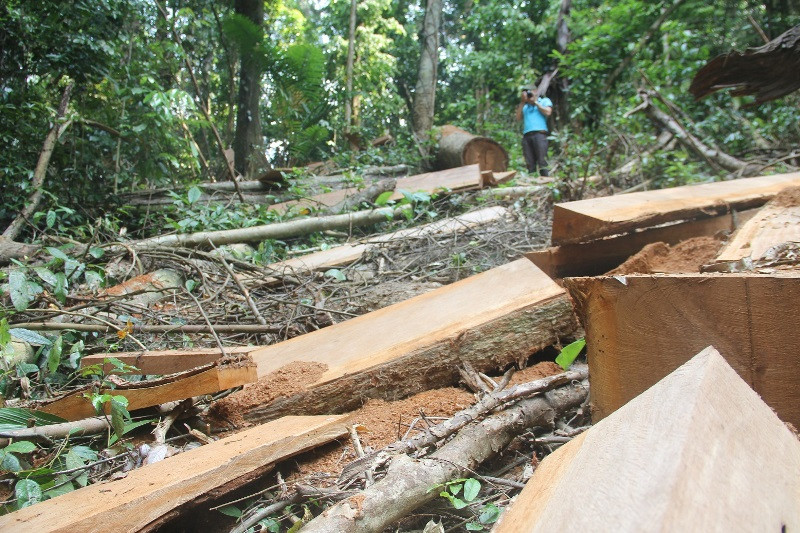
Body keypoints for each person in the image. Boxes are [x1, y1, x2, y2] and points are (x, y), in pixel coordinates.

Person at [515, 87, 553, 176]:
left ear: (536, 91)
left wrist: (535, 102)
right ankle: (532, 182)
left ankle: (546, 180)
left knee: (542, 160)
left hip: (540, 134)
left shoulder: (544, 101)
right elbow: (518, 118)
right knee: (529, 162)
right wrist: (523, 102)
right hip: (527, 135)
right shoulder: (525, 107)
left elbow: (548, 112)